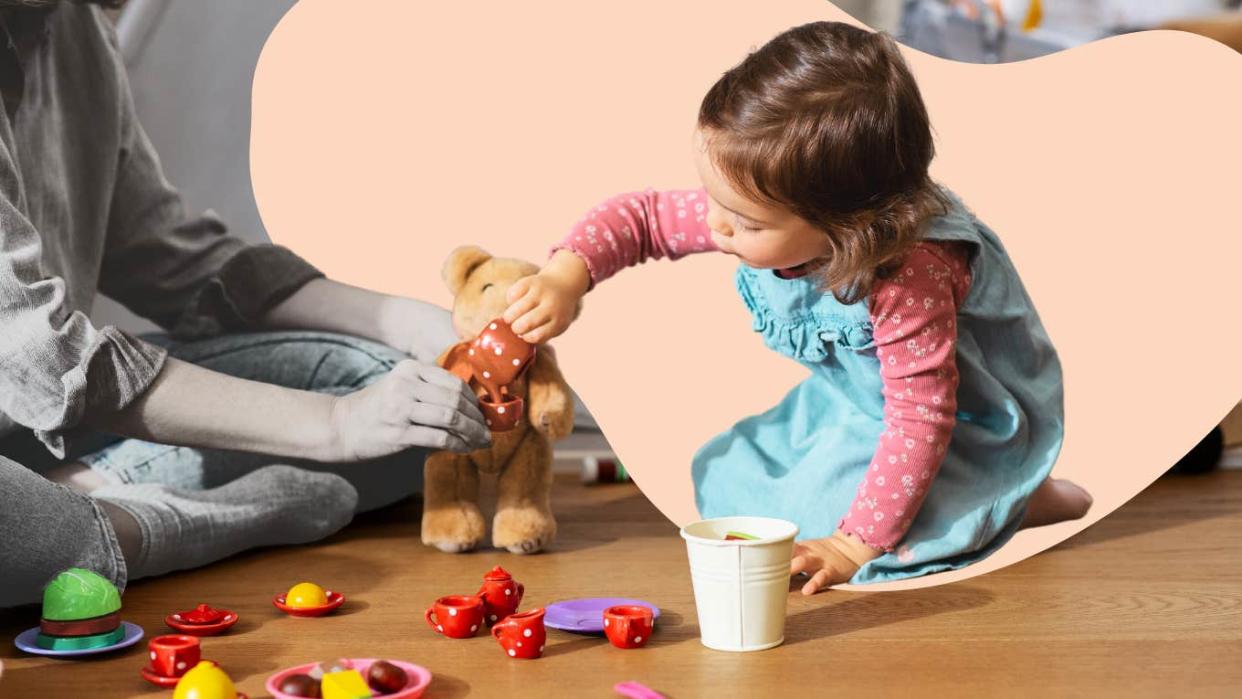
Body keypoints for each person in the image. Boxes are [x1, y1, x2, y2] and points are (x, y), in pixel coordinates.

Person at [503, 21, 1092, 593]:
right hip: (857, 401)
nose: (714, 224)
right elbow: (644, 218)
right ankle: (1004, 495)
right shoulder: (757, 196)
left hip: (959, 422)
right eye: (713, 197)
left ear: (848, 227)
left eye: (746, 222)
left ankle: (1010, 489)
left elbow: (919, 420)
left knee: (824, 522)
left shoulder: (906, 273)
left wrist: (853, 544)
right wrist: (566, 274)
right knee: (732, 473)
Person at [0, 0, 489, 607]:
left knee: (400, 398)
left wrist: (408, 323)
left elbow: (166, 255)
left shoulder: (76, 26)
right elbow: (42, 358)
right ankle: (186, 523)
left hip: (43, 436)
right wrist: (337, 426)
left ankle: (75, 500)